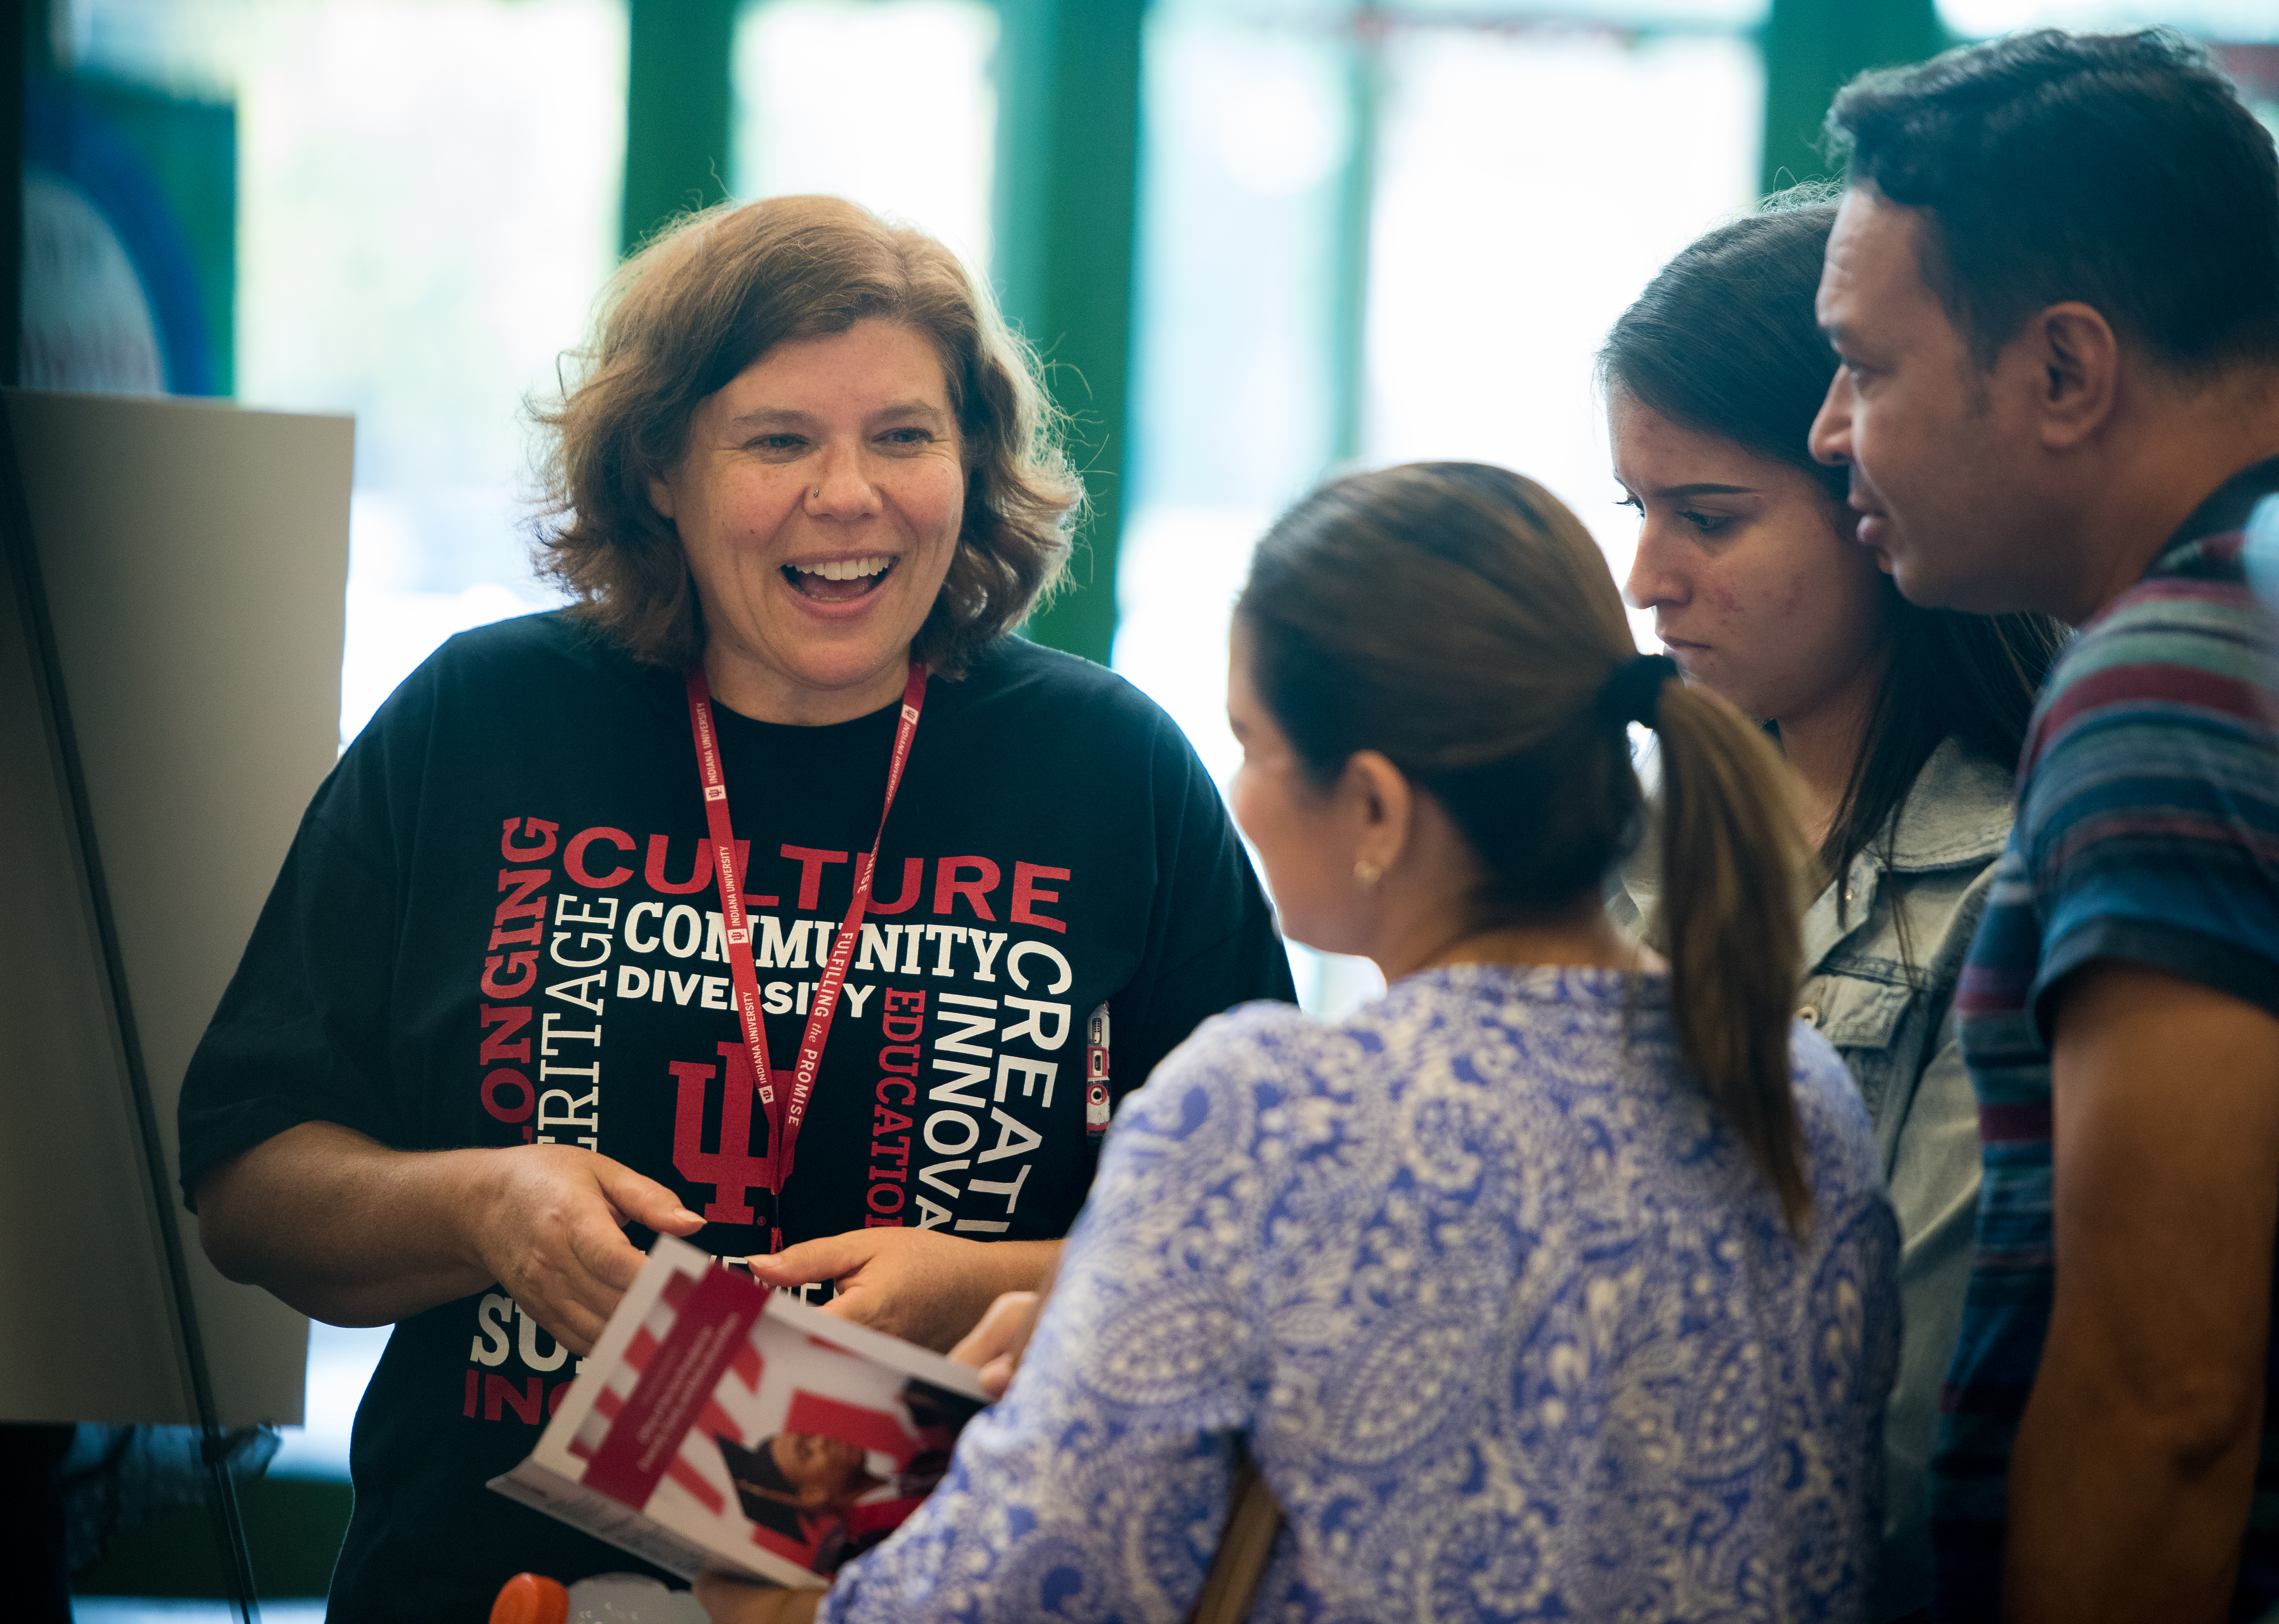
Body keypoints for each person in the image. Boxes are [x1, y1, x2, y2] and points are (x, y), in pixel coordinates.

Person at [176, 194, 1295, 1620]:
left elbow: (1264, 1247)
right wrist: (482, 1207)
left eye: (904, 435)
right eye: (779, 441)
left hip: (968, 1589)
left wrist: (991, 1283)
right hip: (495, 1583)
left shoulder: (1111, 767)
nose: (851, 496)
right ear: (658, 469)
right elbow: (248, 1185)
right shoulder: (481, 718)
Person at [699, 461, 1902, 1624]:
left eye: (1257, 744)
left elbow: (1037, 1586)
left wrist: (787, 1608)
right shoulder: (1791, 1086)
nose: (1239, 793)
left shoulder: (1275, 1111)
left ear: (1374, 808)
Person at [1806, 29, 2279, 1621]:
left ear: (2065, 370)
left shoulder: (2179, 680)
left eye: (1866, 367)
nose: (1829, 430)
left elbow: (2165, 1401)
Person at [1600, 198, 2060, 1620]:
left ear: (1870, 493)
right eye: (1639, 512)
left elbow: (1913, 1418)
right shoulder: (1622, 841)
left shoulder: (2008, 874)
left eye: (1709, 518)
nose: (1647, 580)